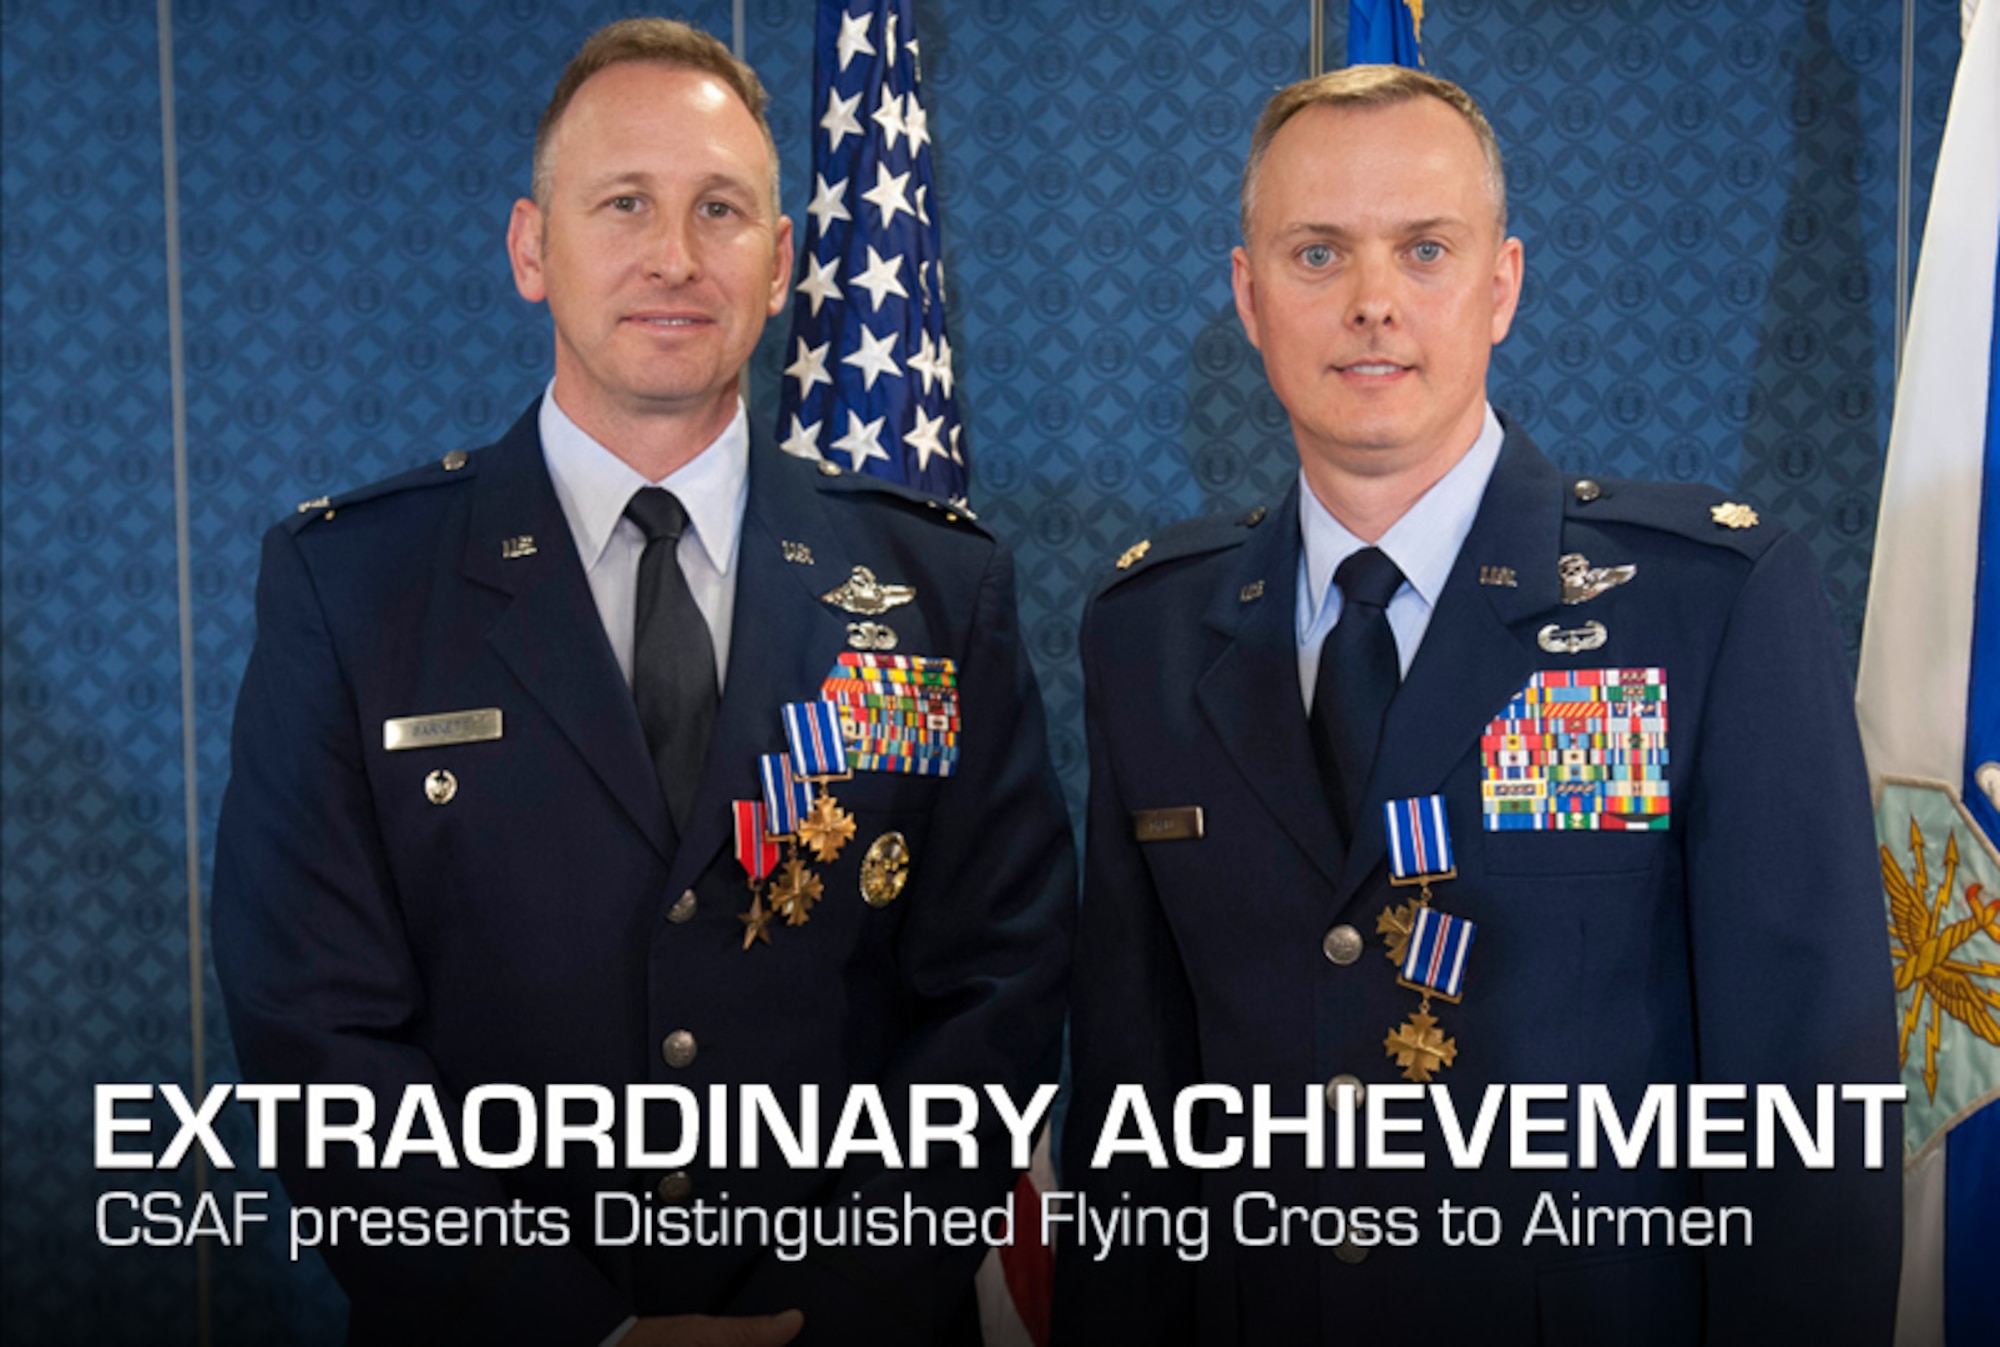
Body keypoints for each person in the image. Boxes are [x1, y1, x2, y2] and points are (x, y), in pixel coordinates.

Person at [212, 20, 1072, 1347]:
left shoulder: (935, 590)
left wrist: (831, 1308)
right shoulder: (355, 588)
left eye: (720, 209)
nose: (675, 255)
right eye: (624, 204)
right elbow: (312, 1028)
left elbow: (996, 995)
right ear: (531, 248)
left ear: (782, 260)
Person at [1055, 66, 1900, 1345]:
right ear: (1246, 296)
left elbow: (1805, 1101)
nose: (1372, 303)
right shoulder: (1149, 632)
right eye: (1316, 252)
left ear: (1500, 284)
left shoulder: (1706, 605)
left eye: (1424, 249)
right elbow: (1134, 1107)